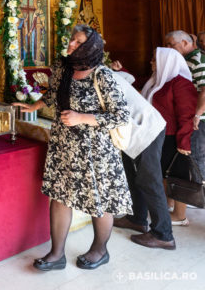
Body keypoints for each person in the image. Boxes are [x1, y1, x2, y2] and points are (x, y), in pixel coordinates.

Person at [15, 24, 132, 271]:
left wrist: (83, 118)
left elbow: (121, 115)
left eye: (78, 42)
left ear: (90, 47)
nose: (71, 44)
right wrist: (34, 106)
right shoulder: (63, 67)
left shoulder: (102, 75)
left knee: (99, 200)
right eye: (72, 40)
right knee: (60, 197)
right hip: (64, 146)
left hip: (96, 150)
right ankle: (56, 254)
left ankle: (100, 250)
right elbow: (54, 94)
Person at [110, 68, 176, 249]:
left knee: (150, 181)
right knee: (132, 176)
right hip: (132, 132)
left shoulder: (99, 76)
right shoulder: (102, 72)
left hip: (146, 130)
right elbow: (128, 77)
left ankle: (163, 234)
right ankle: (137, 219)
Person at [140, 47, 197, 226]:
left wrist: (184, 142)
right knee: (164, 172)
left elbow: (186, 115)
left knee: (178, 175)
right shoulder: (158, 80)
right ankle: (168, 206)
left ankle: (180, 216)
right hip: (160, 135)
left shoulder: (181, 83)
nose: (151, 62)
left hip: (174, 136)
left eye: (154, 59)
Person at [165, 30, 205, 180]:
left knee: (197, 159)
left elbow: (204, 90)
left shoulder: (197, 60)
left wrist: (197, 115)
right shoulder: (185, 59)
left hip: (198, 120)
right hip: (192, 118)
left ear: (184, 42)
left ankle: (200, 191)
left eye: (171, 44)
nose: (168, 48)